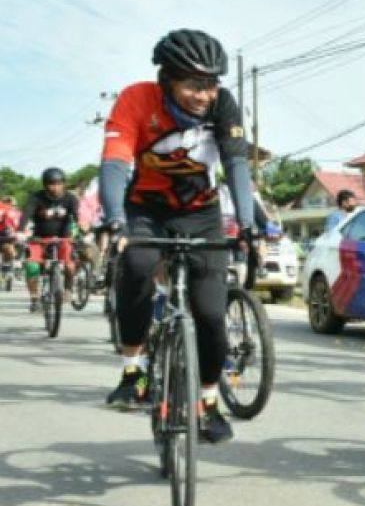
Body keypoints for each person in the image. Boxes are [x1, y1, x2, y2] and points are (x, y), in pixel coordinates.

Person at [99, 29, 257, 445]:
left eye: (211, 85)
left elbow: (236, 164)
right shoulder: (137, 99)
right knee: (135, 265)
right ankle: (133, 371)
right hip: (146, 209)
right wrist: (115, 219)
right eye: (192, 85)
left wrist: (246, 223)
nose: (203, 95)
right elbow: (115, 164)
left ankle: (207, 401)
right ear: (166, 79)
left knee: (210, 314)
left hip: (200, 213)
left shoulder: (223, 106)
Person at [19, 168, 80, 312]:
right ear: (45, 185)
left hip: (63, 238)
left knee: (70, 265)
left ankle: (68, 289)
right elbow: (26, 214)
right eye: (51, 184)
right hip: (39, 239)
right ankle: (34, 299)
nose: (55, 187)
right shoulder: (36, 197)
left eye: (59, 183)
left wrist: (84, 232)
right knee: (32, 267)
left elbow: (77, 216)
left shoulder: (70, 198)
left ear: (64, 184)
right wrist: (20, 231)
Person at [0, 195, 21, 278]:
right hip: (4, 236)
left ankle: (14, 264)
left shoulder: (17, 213)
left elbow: (22, 226)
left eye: (11, 205)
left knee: (12, 247)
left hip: (9, 238)